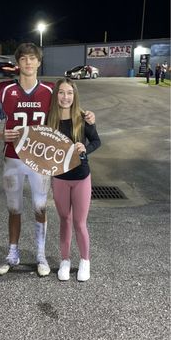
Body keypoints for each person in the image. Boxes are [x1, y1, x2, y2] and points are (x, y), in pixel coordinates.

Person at [0, 42, 95, 277]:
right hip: (12, 157)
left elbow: (69, 105)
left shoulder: (49, 90)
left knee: (39, 207)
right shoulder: (3, 90)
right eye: (23, 58)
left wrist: (87, 115)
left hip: (40, 159)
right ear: (18, 63)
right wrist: (0, 134)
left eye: (32, 58)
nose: (28, 62)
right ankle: (12, 253)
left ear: (39, 62)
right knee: (14, 208)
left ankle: (40, 255)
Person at [47, 78, 101, 282]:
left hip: (81, 177)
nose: (65, 97)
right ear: (56, 95)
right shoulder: (49, 119)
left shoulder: (83, 117)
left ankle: (85, 261)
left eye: (69, 92)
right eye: (61, 92)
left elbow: (96, 140)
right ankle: (65, 260)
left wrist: (86, 148)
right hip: (59, 178)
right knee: (65, 220)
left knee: (79, 222)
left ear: (74, 95)